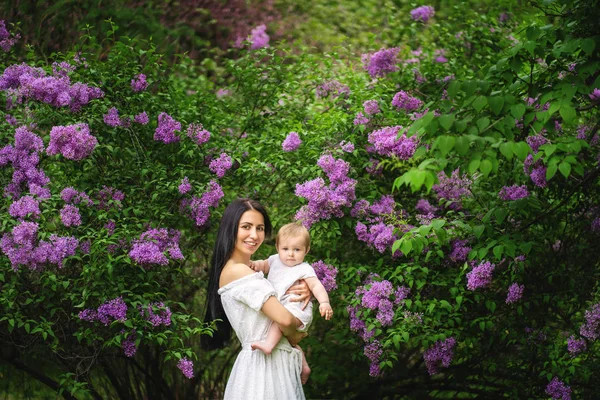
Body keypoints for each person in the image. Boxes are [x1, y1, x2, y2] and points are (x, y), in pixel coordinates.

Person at [204, 198, 312, 400]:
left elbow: (270, 321)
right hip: (263, 370)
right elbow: (286, 320)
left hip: (271, 365)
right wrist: (294, 336)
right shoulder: (238, 272)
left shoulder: (248, 271)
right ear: (230, 229)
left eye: (260, 228)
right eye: (246, 227)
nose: (254, 235)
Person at [249, 222, 333, 384]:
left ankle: (268, 345)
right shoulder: (274, 260)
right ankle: (304, 366)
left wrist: (324, 302)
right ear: (277, 247)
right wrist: (253, 265)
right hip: (284, 308)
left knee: (279, 321)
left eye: (297, 250)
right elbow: (262, 265)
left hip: (297, 310)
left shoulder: (305, 268)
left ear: (306, 250)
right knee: (286, 340)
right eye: (285, 249)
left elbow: (316, 286)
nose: (290, 254)